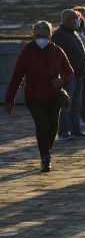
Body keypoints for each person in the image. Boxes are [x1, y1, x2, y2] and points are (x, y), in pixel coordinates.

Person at [5, 21, 74, 172]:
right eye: (38, 36)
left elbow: (69, 72)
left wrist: (63, 81)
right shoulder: (27, 52)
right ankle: (45, 157)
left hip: (53, 95)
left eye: (44, 36)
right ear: (34, 36)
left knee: (53, 127)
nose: (41, 39)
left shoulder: (57, 51)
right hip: (34, 95)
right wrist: (10, 100)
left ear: (50, 36)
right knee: (42, 125)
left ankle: (46, 151)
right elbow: (17, 76)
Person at [51, 9, 85, 140]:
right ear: (68, 20)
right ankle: (63, 132)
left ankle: (75, 130)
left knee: (75, 105)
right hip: (68, 76)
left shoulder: (73, 34)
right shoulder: (60, 35)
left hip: (78, 74)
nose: (78, 21)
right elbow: (58, 57)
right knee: (66, 104)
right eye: (75, 18)